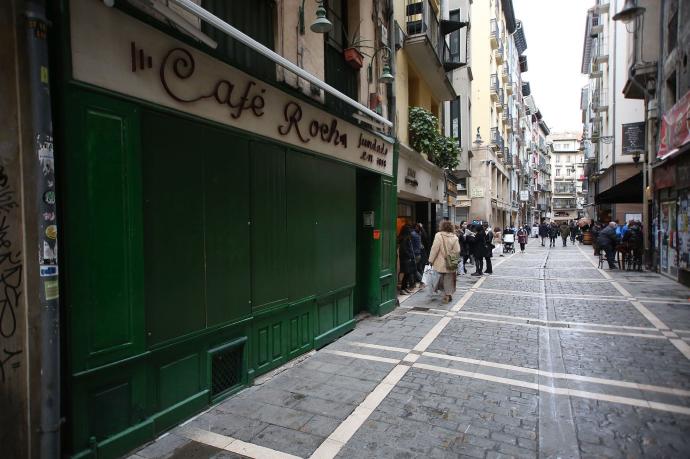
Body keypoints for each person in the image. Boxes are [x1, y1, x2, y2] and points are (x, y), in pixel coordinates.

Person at [429, 220, 461, 303]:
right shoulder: (455, 237)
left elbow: (434, 249)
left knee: (439, 278)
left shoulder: (438, 235)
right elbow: (457, 250)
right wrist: (452, 257)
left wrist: (431, 260)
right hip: (451, 262)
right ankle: (448, 294)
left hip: (440, 262)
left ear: (442, 227)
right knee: (449, 279)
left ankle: (445, 293)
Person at [398, 226, 416, 293]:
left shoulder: (406, 238)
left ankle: (405, 287)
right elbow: (404, 250)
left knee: (407, 274)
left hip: (406, 259)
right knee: (406, 273)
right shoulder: (404, 239)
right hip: (405, 259)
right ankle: (403, 289)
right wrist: (409, 256)